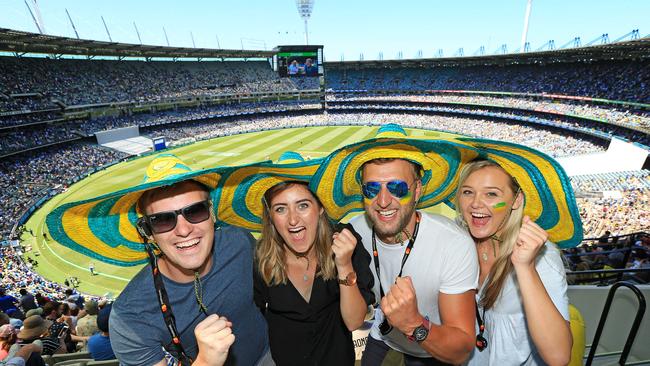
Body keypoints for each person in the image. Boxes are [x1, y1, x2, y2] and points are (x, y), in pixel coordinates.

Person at [46, 154, 270, 366]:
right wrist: (205, 362)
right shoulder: (130, 316)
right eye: (162, 220)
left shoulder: (239, 241)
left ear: (212, 214)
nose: (184, 230)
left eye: (195, 211)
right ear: (148, 232)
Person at [309, 126, 479, 365]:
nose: (383, 201)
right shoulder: (354, 232)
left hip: (431, 351)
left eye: (397, 188)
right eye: (372, 189)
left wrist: (413, 323)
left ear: (417, 190)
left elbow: (461, 350)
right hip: (383, 336)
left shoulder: (453, 244)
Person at [456, 160, 573, 365]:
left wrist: (525, 267)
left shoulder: (543, 257)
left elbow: (559, 357)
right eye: (467, 192)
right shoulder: (456, 243)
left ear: (516, 200)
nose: (475, 203)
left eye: (491, 194)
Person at [255, 181, 375, 365]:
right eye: (280, 209)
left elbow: (354, 321)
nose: (293, 220)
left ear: (320, 208)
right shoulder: (261, 258)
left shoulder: (344, 241)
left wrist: (344, 265)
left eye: (303, 205)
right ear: (270, 217)